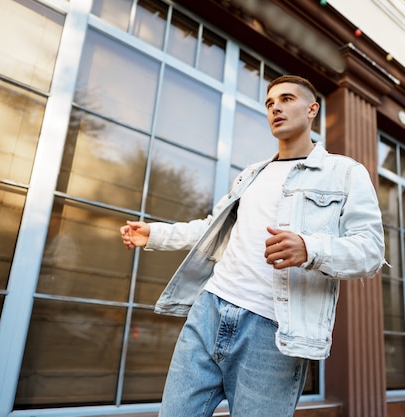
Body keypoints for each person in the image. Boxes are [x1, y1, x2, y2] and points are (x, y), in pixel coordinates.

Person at [120, 75, 385, 417]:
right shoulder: (251, 175)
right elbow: (211, 228)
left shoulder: (344, 173)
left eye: (287, 99)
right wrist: (155, 235)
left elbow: (371, 251)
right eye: (270, 102)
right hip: (210, 311)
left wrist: (310, 248)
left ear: (312, 110)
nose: (276, 107)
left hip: (272, 331)